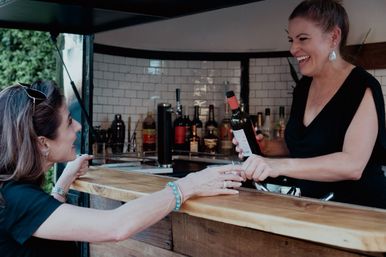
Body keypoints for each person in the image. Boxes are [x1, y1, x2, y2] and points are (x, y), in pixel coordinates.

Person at [0, 80, 245, 257]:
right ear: (43, 143)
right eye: (69, 122)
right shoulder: (16, 199)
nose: (77, 128)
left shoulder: (14, 193)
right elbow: (115, 226)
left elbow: (41, 223)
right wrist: (189, 185)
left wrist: (63, 184)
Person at [235, 0, 386, 209]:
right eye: (291, 39)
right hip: (312, 208)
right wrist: (266, 148)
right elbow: (302, 146)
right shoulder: (304, 88)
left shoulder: (363, 87)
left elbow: (352, 165)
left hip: (359, 214)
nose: (293, 48)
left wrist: (278, 166)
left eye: (302, 39)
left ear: (333, 37)